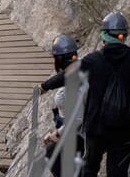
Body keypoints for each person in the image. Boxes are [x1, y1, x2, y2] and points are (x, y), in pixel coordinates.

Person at [41, 11, 130, 177]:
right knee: (118, 173)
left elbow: (67, 76)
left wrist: (45, 86)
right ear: (124, 35)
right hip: (127, 128)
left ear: (103, 36)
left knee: (90, 170)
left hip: (96, 129)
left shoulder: (93, 61)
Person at [42, 34, 84, 177]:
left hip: (80, 135)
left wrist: (58, 133)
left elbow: (78, 118)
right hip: (80, 133)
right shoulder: (81, 71)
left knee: (52, 152)